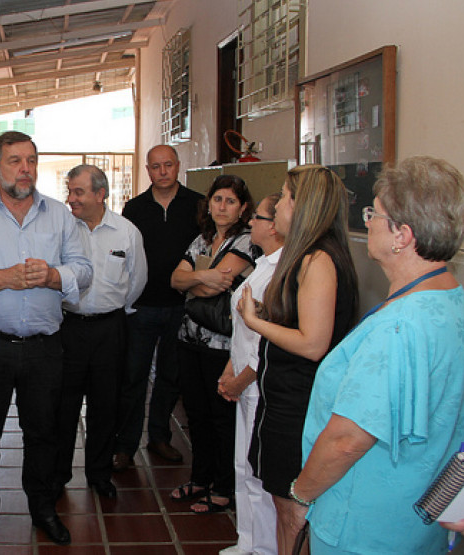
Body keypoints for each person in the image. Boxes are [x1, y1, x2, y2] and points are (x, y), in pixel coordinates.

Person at [291, 157, 464, 554]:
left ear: (402, 235)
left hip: (365, 527)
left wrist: (302, 495)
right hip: (417, 520)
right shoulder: (453, 300)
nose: (368, 223)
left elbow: (346, 440)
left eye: (373, 214)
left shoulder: (399, 328)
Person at [0, 131, 93, 553]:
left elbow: (84, 270)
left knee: (43, 435)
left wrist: (55, 275)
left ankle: (43, 509)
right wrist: (2, 278)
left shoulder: (59, 215)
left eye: (31, 160)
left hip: (45, 348)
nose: (25, 169)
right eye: (14, 161)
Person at [238, 165, 359, 555]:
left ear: (304, 206)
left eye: (286, 197)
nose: (279, 205)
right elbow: (303, 321)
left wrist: (256, 322)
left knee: (293, 515)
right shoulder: (308, 255)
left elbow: (313, 343)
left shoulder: (317, 259)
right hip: (287, 399)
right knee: (284, 506)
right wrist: (269, 314)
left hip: (299, 405)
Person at [55, 164, 147, 500]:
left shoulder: (126, 232)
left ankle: (99, 473)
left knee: (106, 405)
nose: (71, 199)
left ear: (100, 194)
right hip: (68, 327)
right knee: (63, 406)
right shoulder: (63, 231)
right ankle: (58, 475)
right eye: (70, 191)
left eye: (78, 192)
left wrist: (112, 308)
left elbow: (137, 281)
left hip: (110, 328)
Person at [169, 175, 255, 513]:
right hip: (189, 339)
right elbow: (175, 280)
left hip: (223, 346)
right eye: (217, 199)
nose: (222, 207)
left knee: (222, 417)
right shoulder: (202, 239)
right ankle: (200, 478)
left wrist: (193, 281)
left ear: (243, 208)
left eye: (230, 201)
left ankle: (223, 487)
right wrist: (201, 278)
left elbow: (214, 287)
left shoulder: (246, 241)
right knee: (196, 413)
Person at [114, 144, 203, 470]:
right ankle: (125, 445)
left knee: (170, 376)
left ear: (178, 166)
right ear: (148, 170)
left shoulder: (198, 204)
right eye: (156, 166)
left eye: (168, 165)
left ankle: (159, 437)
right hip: (142, 306)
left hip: (182, 306)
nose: (162, 171)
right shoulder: (134, 208)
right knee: (133, 377)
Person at [217, 194, 284, 555]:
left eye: (257, 217)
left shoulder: (282, 270)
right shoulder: (261, 264)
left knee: (258, 472)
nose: (251, 223)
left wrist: (241, 379)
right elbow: (242, 329)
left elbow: (266, 339)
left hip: (257, 383)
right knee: (242, 465)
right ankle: (247, 540)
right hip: (242, 376)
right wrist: (231, 368)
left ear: (273, 226)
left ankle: (264, 547)